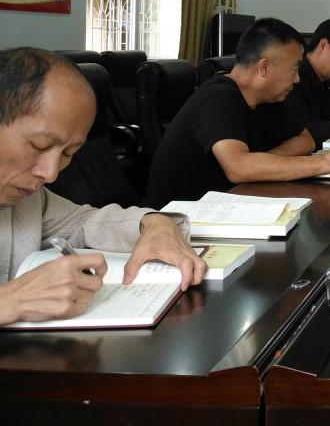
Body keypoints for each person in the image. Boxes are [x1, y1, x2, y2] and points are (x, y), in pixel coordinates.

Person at [0, 48, 205, 326]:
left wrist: (153, 223)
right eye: (39, 145)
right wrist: (12, 300)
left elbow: (83, 222)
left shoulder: (27, 198)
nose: (50, 173)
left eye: (68, 153)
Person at [147, 17, 330, 208]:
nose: (297, 79)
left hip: (233, 202)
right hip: (179, 222)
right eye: (294, 68)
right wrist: (327, 162)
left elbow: (305, 140)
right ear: (264, 68)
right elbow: (238, 168)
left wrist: (261, 163)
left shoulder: (267, 97)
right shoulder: (219, 97)